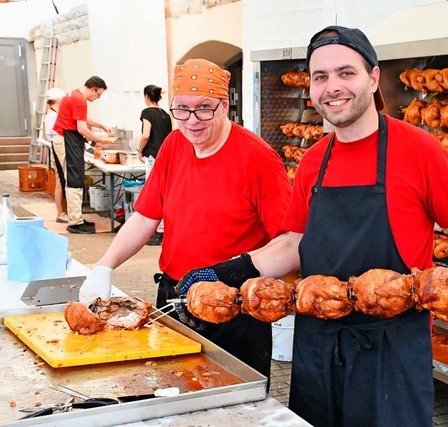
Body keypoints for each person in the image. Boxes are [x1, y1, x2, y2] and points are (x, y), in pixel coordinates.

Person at [170, 27, 448, 427]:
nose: (332, 87)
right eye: (320, 77)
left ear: (373, 78)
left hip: (392, 350)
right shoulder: (313, 161)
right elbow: (291, 244)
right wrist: (225, 272)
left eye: (345, 73)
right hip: (317, 346)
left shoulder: (421, 151)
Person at [78, 59, 292, 386]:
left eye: (204, 108)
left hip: (233, 307)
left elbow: (291, 242)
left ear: (224, 107)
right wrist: (105, 265)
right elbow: (147, 216)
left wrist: (236, 271)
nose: (192, 121)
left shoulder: (257, 158)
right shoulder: (174, 146)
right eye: (182, 109)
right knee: (172, 392)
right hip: (175, 297)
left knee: (233, 406)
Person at [53, 76, 113, 234]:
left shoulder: (74, 94)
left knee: (73, 178)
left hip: (64, 138)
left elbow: (80, 117)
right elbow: (82, 128)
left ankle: (76, 216)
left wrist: (100, 125)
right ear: (93, 89)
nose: (97, 98)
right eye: (98, 94)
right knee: (74, 179)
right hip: (67, 139)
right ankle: (75, 221)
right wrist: (100, 140)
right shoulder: (80, 100)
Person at [137, 84, 172, 246]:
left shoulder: (147, 113)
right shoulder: (166, 114)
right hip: (166, 158)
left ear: (146, 96)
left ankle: (156, 231)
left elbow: (146, 134)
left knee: (153, 194)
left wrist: (139, 150)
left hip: (152, 156)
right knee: (164, 192)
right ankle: (164, 228)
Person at [44, 87, 68, 223]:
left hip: (61, 149)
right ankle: (60, 213)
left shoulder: (55, 113)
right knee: (60, 181)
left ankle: (64, 211)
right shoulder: (52, 116)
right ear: (58, 100)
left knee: (63, 181)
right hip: (57, 149)